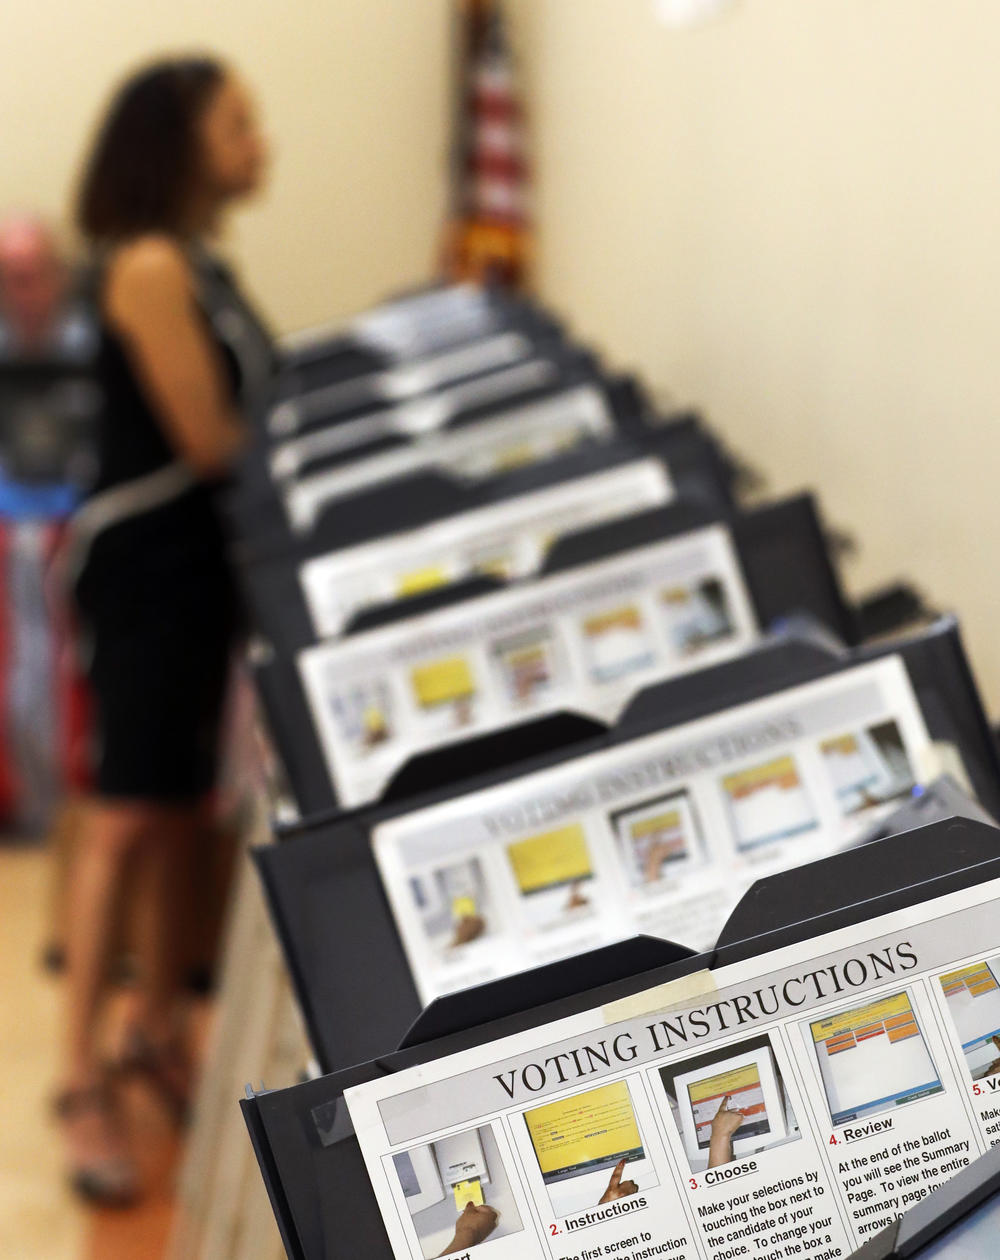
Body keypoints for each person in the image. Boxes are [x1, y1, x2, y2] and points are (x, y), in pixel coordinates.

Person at [56, 55, 273, 1206]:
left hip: (199, 582)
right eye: (238, 124)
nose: (261, 143)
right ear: (176, 140)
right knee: (126, 818)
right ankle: (79, 1075)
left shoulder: (204, 264)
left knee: (185, 811)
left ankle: (151, 1025)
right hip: (144, 577)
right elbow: (212, 439)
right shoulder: (147, 266)